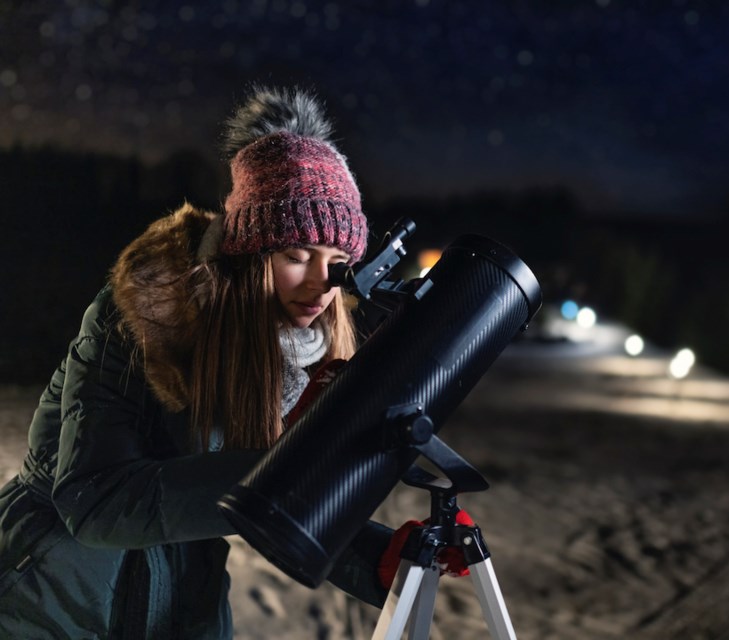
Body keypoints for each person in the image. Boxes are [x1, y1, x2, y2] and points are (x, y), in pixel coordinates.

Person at [0, 87, 425, 638]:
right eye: (296, 257)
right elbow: (96, 500)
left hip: (183, 597)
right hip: (52, 590)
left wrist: (378, 557)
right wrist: (276, 467)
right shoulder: (144, 316)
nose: (322, 284)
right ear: (249, 255)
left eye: (338, 262)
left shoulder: (303, 350)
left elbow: (271, 497)